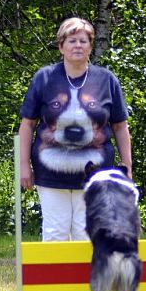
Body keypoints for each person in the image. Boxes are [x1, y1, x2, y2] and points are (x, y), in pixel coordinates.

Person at [18, 17, 133, 241]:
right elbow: (27, 125)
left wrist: (127, 166)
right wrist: (24, 165)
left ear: (91, 46)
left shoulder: (107, 80)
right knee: (55, 233)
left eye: (83, 40)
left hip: (96, 173)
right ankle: (52, 278)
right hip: (49, 173)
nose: (77, 45)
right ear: (61, 46)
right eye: (71, 41)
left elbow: (120, 126)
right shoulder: (44, 78)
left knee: (88, 235)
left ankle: (88, 278)